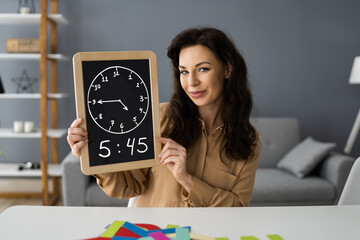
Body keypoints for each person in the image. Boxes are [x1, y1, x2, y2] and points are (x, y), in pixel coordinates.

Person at [67, 27, 260, 207]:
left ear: (228, 69)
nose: (191, 82)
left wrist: (187, 179)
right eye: (184, 71)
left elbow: (238, 206)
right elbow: (127, 187)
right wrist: (93, 156)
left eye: (203, 69)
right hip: (154, 231)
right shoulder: (157, 118)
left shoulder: (248, 139)